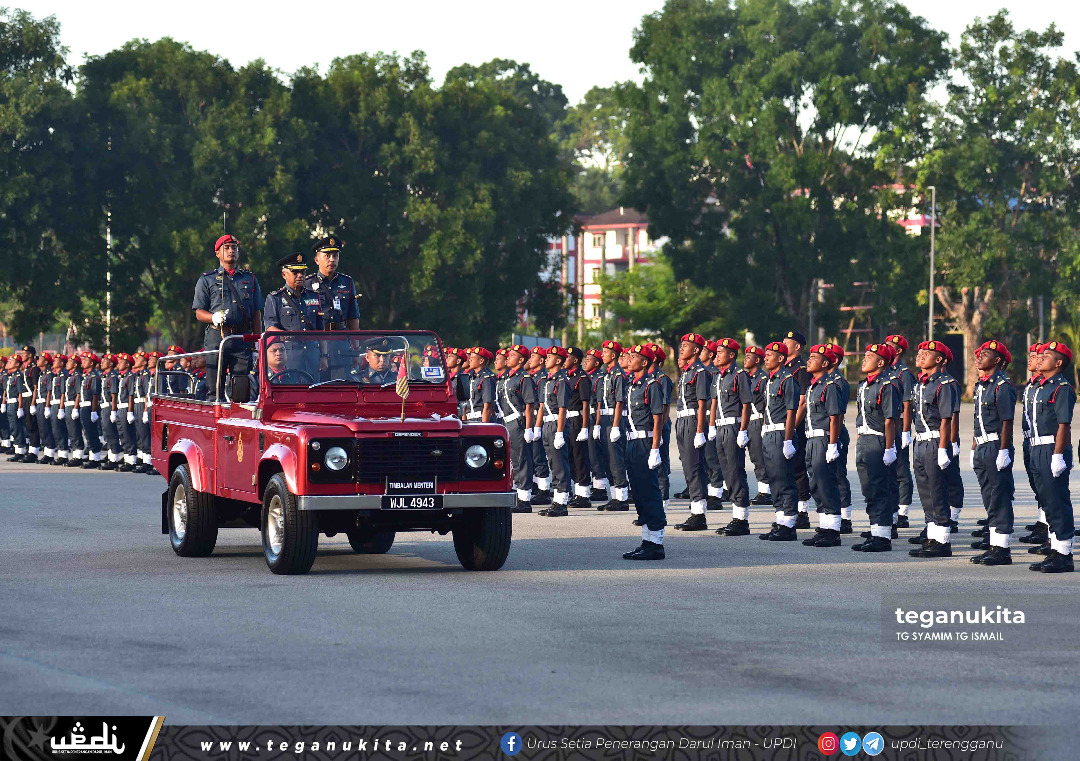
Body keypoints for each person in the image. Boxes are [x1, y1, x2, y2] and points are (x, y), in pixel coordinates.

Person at [192, 234, 263, 399]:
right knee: (214, 388)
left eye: (234, 248)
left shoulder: (249, 279)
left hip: (241, 338)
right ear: (217, 253)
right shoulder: (207, 279)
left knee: (241, 389)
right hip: (217, 336)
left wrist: (257, 343)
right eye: (227, 248)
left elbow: (256, 312)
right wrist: (213, 318)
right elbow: (198, 312)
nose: (231, 251)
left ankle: (237, 424)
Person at [908, 340, 960, 558]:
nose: (920, 355)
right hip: (920, 442)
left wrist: (943, 447)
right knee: (925, 491)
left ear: (939, 360)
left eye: (926, 353)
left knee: (938, 491)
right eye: (920, 352)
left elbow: (947, 419)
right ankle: (932, 535)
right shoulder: (921, 383)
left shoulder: (945, 384)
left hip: (935, 441)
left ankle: (943, 541)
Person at [968, 340, 1018, 566]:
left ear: (997, 360)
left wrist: (1004, 451)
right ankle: (994, 544)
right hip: (982, 446)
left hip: (996, 446)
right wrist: (973, 445)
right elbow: (979, 420)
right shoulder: (982, 385)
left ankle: (1003, 549)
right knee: (989, 496)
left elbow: (1007, 421)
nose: (979, 356)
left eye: (985, 354)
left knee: (1000, 496)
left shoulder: (1002, 386)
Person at [1027, 341, 1075, 573]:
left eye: (1047, 355)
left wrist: (1058, 455)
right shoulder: (1041, 387)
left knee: (1057, 501)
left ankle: (1064, 554)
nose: (1041, 358)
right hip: (1036, 449)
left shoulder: (1062, 388)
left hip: (1051, 449)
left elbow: (1063, 425)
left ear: (1058, 363)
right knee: (1046, 501)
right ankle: (1056, 549)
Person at [851, 343, 901, 552]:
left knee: (880, 489)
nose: (864, 358)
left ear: (881, 362)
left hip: (879, 441)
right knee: (868, 489)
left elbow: (890, 420)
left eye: (869, 356)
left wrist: (889, 448)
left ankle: (883, 536)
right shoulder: (864, 385)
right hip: (864, 441)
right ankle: (875, 531)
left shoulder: (888, 384)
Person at [621, 344, 667, 560]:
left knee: (650, 492)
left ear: (645, 362)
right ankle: (647, 540)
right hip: (632, 443)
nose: (629, 359)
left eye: (634, 357)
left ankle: (656, 544)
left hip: (646, 443)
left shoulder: (652, 386)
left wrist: (655, 449)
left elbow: (658, 418)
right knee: (639, 493)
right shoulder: (632, 385)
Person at [801, 344, 845, 547]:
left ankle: (833, 530)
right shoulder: (813, 386)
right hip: (811, 439)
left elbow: (835, 418)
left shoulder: (830, 386)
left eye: (813, 358)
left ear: (825, 363)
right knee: (815, 484)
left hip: (823, 439)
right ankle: (825, 526)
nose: (809, 360)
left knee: (826, 483)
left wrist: (833, 445)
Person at [710, 338, 754, 536]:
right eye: (717, 351)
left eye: (721, 351)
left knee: (735, 472)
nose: (717, 354)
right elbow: (713, 404)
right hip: (720, 428)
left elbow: (746, 405)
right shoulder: (718, 377)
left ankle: (741, 519)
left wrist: (743, 430)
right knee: (727, 473)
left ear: (732, 355)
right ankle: (735, 516)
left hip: (733, 427)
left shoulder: (739, 375)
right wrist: (711, 426)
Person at [758, 341, 801, 541]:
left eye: (769, 354)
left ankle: (789, 524)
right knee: (774, 479)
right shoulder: (770, 380)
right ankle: (780, 520)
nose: (765, 358)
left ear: (781, 358)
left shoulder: (787, 380)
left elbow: (791, 411)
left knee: (784, 479)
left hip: (781, 434)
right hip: (769, 433)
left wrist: (788, 439)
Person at [672, 333, 711, 531]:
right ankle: (695, 510)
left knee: (695, 467)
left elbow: (703, 403)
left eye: (686, 345)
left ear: (696, 350)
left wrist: (699, 431)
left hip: (693, 420)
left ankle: (699, 515)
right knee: (688, 466)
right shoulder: (687, 371)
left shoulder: (700, 372)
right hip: (682, 419)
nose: (681, 348)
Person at [498, 344, 537, 512]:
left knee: (522, 460)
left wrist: (529, 428)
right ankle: (517, 493)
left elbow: (529, 405)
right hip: (507, 423)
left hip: (519, 423)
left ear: (521, 360)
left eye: (512, 355)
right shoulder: (508, 378)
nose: (508, 357)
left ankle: (524, 499)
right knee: (513, 460)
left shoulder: (524, 378)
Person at [885, 334, 918, 528]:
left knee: (901, 470)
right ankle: (890, 511)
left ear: (898, 351)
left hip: (898, 425)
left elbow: (907, 404)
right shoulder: (885, 369)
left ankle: (902, 512)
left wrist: (906, 431)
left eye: (890, 346)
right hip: (884, 425)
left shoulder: (903, 373)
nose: (886, 347)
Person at [536, 345, 572, 517]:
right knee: (552, 463)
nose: (547, 358)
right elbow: (542, 406)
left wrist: (559, 432)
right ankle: (556, 501)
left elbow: (563, 409)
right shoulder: (547, 380)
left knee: (560, 465)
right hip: (547, 425)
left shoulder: (562, 381)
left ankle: (562, 503)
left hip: (557, 424)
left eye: (550, 356)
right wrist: (537, 427)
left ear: (558, 361)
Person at [782, 330, 814, 528]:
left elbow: (802, 403)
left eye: (788, 342)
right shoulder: (785, 367)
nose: (784, 344)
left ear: (798, 347)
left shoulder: (801, 368)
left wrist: (792, 428)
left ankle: (803, 512)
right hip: (785, 425)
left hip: (797, 426)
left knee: (799, 468)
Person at [1019, 344, 1049, 545]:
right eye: (1030, 356)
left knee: (1047, 487)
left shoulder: (1047, 386)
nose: (1032, 360)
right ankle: (1042, 519)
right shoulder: (1030, 385)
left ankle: (1046, 525)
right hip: (1029, 440)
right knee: (1036, 483)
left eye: (1036, 356)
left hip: (1043, 443)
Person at [595, 340, 630, 512]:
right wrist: (597, 424)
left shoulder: (619, 375)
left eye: (605, 352)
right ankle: (614, 497)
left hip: (615, 420)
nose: (602, 354)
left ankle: (622, 499)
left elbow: (619, 402)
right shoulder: (606, 375)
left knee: (616, 460)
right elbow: (600, 402)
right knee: (608, 459)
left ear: (614, 355)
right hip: (604, 420)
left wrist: (616, 426)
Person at [824, 342, 853, 532]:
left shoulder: (838, 381)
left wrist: (833, 441)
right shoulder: (825, 380)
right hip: (825, 431)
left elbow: (838, 414)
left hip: (836, 432)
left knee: (838, 475)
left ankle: (845, 518)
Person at [304, 236, 360, 330]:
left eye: (335, 256)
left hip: (341, 338)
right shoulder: (306, 284)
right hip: (316, 338)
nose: (332, 260)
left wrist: (356, 344)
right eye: (327, 256)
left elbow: (353, 316)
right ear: (316, 260)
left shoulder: (347, 282)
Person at [563, 347, 593, 508]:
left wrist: (584, 427)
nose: (563, 360)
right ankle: (576, 491)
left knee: (579, 457)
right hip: (567, 420)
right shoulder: (567, 378)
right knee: (570, 457)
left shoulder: (582, 378)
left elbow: (586, 404)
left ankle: (584, 495)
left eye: (567, 357)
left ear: (575, 360)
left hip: (577, 420)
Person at [700, 339, 728, 508]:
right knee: (705, 457)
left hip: (713, 416)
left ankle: (716, 494)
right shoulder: (703, 371)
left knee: (712, 457)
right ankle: (711, 491)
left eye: (703, 350)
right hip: (704, 417)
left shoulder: (712, 372)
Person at [647, 344, 675, 508]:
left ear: (655, 358)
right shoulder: (646, 377)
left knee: (660, 464)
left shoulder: (662, 378)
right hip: (646, 426)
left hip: (660, 426)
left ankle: (662, 502)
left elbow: (665, 407)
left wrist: (660, 428)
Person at [744, 345, 771, 504]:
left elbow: (767, 404)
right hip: (747, 421)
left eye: (749, 356)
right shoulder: (747, 377)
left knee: (759, 457)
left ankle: (765, 492)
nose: (746, 359)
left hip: (758, 420)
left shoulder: (763, 379)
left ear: (757, 360)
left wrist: (765, 426)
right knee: (753, 457)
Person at [584, 348, 610, 503]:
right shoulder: (588, 377)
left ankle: (600, 488)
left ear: (597, 362)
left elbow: (599, 402)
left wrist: (598, 424)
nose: (586, 361)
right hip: (589, 415)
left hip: (596, 416)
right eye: (586, 358)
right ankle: (596, 485)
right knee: (590, 453)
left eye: (590, 359)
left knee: (596, 454)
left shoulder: (599, 377)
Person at [77, 352, 103, 469]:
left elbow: (95, 395)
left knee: (92, 433)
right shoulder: (86, 376)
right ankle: (93, 456)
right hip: (84, 406)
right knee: (87, 433)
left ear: (91, 363)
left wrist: (93, 411)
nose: (82, 361)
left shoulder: (94, 377)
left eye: (85, 360)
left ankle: (95, 458)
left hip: (89, 407)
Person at [98, 354, 121, 470]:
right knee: (107, 433)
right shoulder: (106, 377)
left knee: (111, 434)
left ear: (111, 364)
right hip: (104, 407)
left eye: (105, 361)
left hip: (109, 407)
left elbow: (114, 396)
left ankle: (114, 460)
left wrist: (113, 411)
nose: (102, 363)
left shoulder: (112, 377)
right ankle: (111, 456)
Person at [46, 353, 69, 466]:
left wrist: (61, 408)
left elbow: (63, 393)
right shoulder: (55, 375)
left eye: (56, 360)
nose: (53, 362)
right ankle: (60, 453)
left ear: (61, 363)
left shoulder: (63, 375)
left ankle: (63, 455)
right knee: (55, 430)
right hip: (53, 404)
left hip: (60, 404)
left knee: (60, 430)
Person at [3, 353, 27, 462]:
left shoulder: (18, 376)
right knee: (13, 427)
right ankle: (17, 450)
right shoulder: (11, 376)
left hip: (15, 404)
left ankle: (20, 452)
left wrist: (20, 408)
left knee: (17, 428)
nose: (8, 363)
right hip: (9, 403)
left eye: (11, 362)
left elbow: (20, 393)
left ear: (17, 364)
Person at [33, 351, 55, 464]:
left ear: (46, 362)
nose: (37, 361)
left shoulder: (49, 374)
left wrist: (47, 406)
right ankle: (47, 452)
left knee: (46, 429)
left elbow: (49, 392)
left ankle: (50, 453)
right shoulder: (42, 374)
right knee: (42, 429)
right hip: (40, 403)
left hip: (45, 404)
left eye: (40, 359)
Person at [463, 347, 496, 422]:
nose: (469, 360)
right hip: (469, 419)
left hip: (480, 419)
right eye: (470, 357)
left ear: (481, 361)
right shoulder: (470, 377)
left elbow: (487, 405)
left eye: (473, 358)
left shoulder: (486, 378)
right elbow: (465, 404)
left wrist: (484, 427)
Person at [62, 353, 83, 466]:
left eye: (69, 361)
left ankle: (78, 456)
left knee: (75, 431)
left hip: (73, 405)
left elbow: (79, 393)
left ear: (75, 364)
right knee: (71, 431)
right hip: (68, 405)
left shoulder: (77, 376)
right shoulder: (71, 376)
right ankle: (75, 454)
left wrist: (75, 408)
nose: (67, 363)